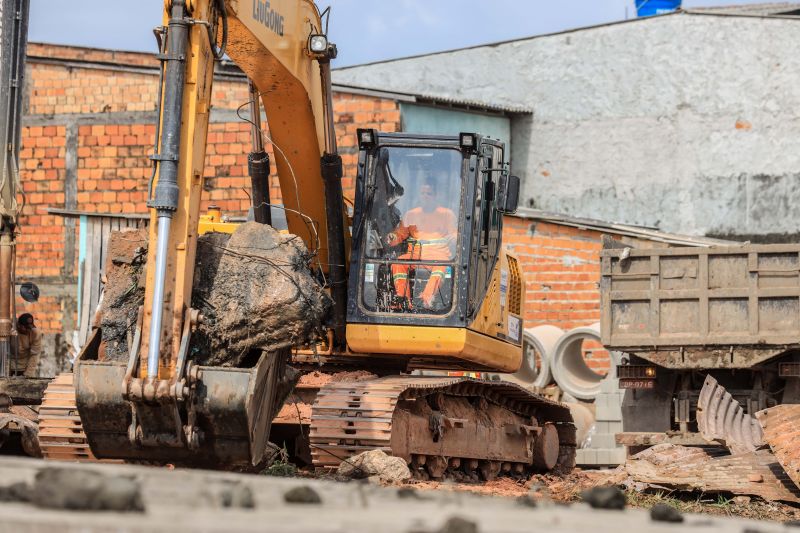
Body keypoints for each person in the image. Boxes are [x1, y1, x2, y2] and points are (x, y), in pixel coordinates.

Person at [388, 180, 457, 308]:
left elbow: (454, 234)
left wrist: (454, 238)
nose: (425, 196)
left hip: (438, 256)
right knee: (398, 263)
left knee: (441, 268)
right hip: (415, 255)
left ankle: (426, 298)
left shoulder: (447, 214)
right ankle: (403, 300)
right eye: (423, 193)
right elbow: (400, 234)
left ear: (435, 196)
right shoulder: (411, 214)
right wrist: (393, 237)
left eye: (429, 193)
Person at [14, 313, 41, 377]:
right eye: (26, 328)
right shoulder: (11, 330)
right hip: (9, 366)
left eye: (30, 327)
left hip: (25, 367)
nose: (28, 330)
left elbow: (34, 355)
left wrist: (28, 374)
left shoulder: (35, 333)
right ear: (19, 325)